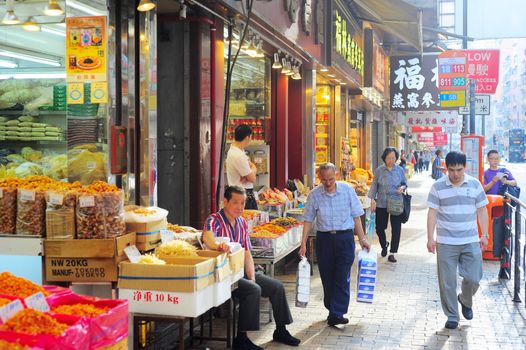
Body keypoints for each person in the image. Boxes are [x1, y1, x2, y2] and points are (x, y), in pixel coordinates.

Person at [202, 186, 301, 350]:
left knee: (276, 287)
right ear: (225, 202)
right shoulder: (214, 220)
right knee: (253, 290)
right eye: (235, 202)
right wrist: (219, 245)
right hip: (223, 276)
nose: (239, 207)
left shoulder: (241, 222)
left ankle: (281, 330)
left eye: (242, 203)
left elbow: (247, 253)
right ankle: (241, 340)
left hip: (240, 272)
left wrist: (252, 277)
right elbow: (208, 239)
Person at [299, 163, 370, 326]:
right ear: (319, 178)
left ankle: (337, 312)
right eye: (324, 180)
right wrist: (303, 243)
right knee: (327, 276)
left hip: (345, 238)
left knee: (342, 275)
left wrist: (363, 239)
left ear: (336, 175)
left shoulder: (347, 190)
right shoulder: (314, 194)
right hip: (324, 240)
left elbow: (357, 216)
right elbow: (308, 219)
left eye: (331, 179)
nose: (328, 183)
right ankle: (332, 308)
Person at [426, 151, 489, 330]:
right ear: (446, 168)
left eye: (459, 170)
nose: (455, 174)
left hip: (470, 239)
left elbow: (482, 210)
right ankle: (452, 315)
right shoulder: (438, 186)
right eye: (451, 170)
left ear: (465, 168)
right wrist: (430, 238)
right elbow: (432, 213)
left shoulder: (475, 184)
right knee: (447, 281)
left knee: (474, 278)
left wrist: (485, 235)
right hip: (445, 241)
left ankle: (465, 299)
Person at [368, 147, 408, 263]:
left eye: (393, 158)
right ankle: (384, 244)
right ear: (384, 158)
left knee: (396, 228)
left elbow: (405, 183)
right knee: (380, 228)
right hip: (381, 202)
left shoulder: (400, 170)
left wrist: (402, 188)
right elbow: (375, 185)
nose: (391, 160)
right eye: (389, 158)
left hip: (396, 201)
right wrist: (371, 200)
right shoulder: (379, 170)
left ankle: (392, 252)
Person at [226, 124, 258, 209]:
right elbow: (252, 179)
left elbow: (250, 166)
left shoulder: (236, 150)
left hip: (237, 192)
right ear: (247, 137)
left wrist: (251, 170)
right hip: (242, 195)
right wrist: (254, 168)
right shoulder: (238, 155)